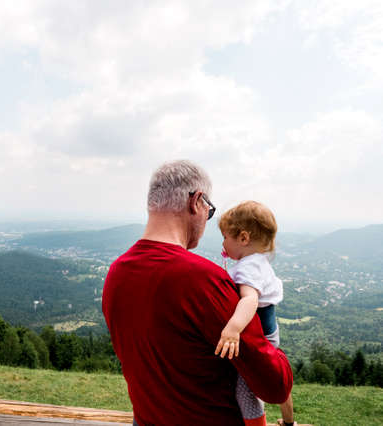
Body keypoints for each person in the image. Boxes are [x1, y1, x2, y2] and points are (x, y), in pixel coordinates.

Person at [102, 160, 293, 426]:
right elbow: (275, 386)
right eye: (209, 211)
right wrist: (276, 348)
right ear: (196, 202)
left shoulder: (116, 274)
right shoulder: (203, 280)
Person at [216, 201, 296, 426]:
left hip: (258, 337)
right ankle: (289, 421)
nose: (223, 243)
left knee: (245, 390)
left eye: (225, 237)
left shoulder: (248, 267)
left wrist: (233, 329)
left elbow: (250, 300)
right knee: (277, 378)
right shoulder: (258, 262)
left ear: (243, 238)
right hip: (270, 333)